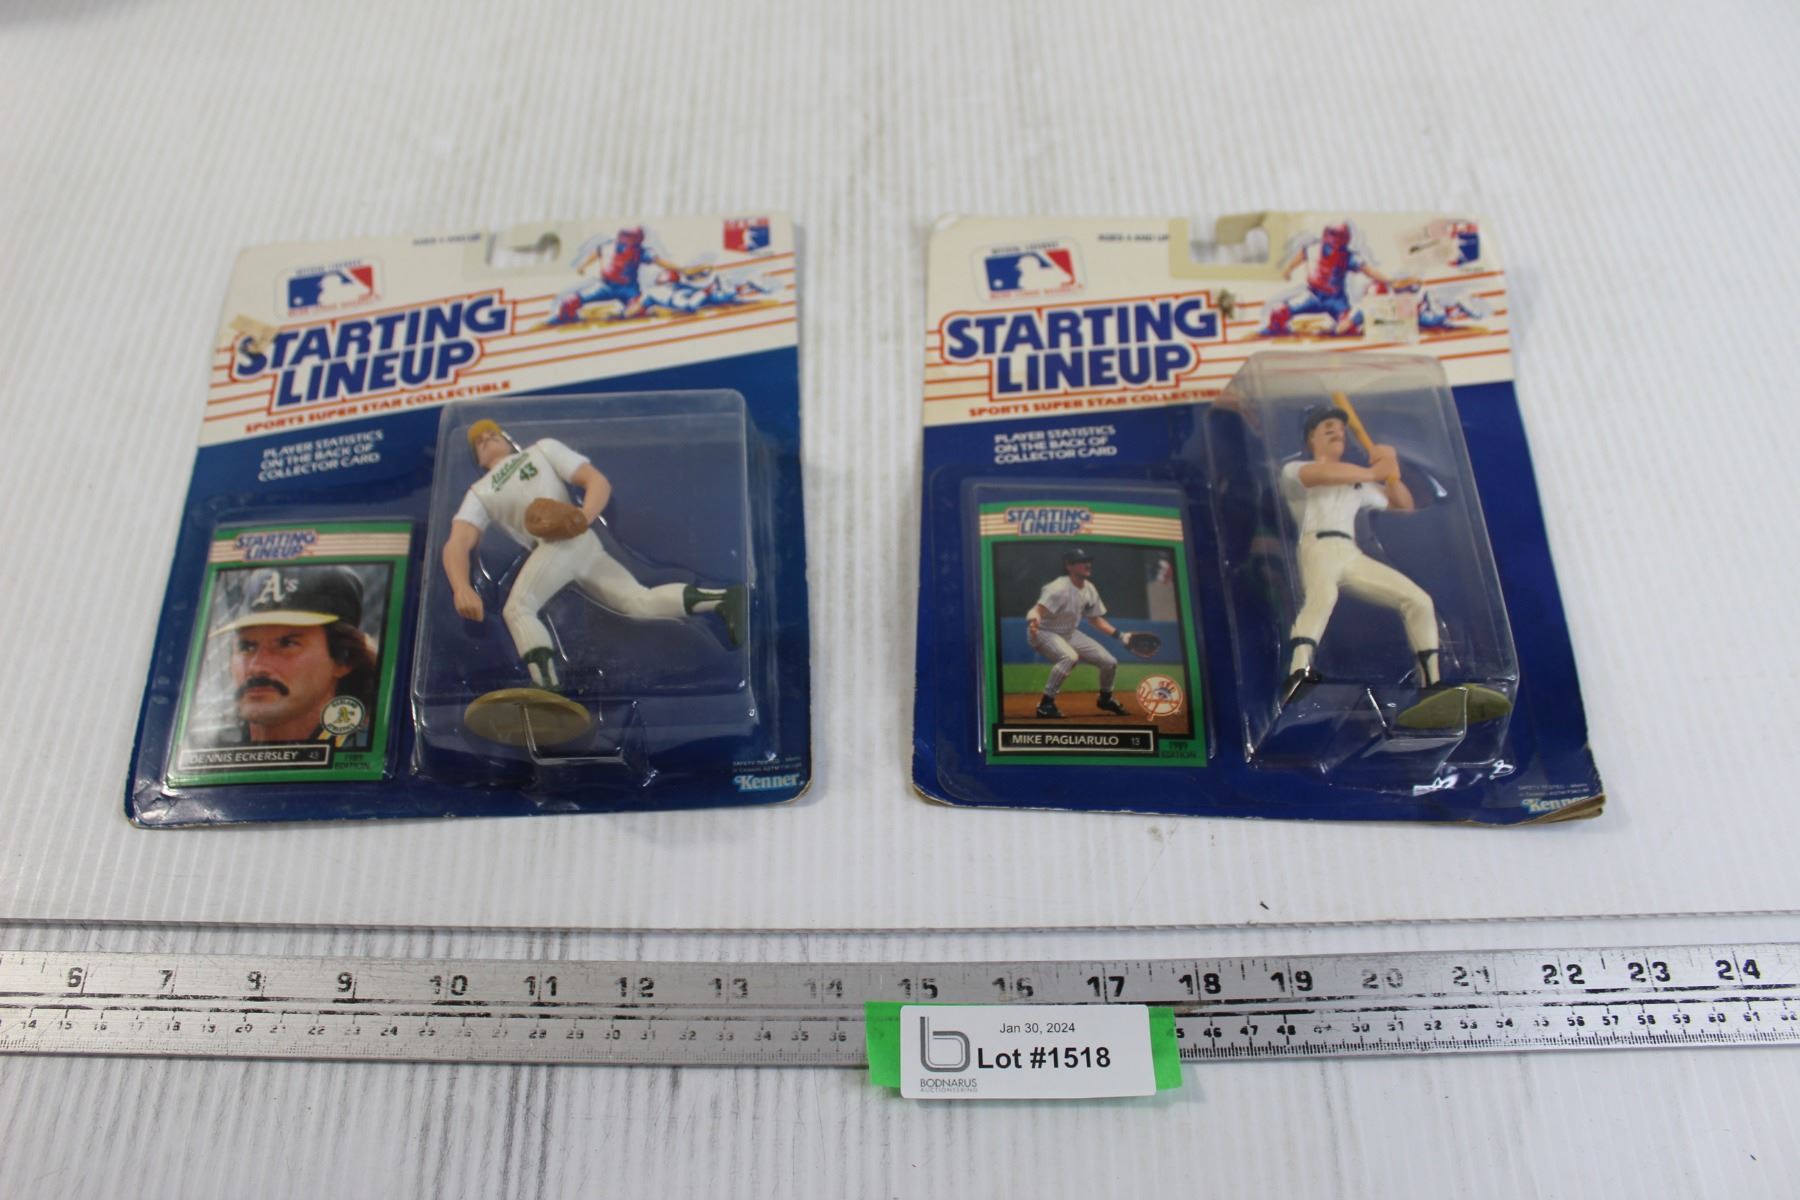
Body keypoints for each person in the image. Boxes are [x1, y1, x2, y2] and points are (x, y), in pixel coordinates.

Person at [442, 419, 745, 692]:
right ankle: (723, 599)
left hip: (564, 541)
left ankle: (547, 688)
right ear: (477, 458)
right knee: (637, 601)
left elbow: (596, 481)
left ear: (507, 440)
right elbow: (457, 544)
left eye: (492, 434)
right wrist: (461, 586)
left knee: (518, 609)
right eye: (479, 441)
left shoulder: (541, 450)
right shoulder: (481, 491)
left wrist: (582, 517)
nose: (486, 439)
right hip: (567, 544)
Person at [1279, 406, 1438, 705]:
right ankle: (1298, 673)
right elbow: (1322, 474)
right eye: (1327, 427)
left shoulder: (1358, 481)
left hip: (1350, 552)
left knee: (1419, 600)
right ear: (1311, 437)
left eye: (1340, 429)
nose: (1335, 431)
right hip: (1317, 546)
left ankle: (1431, 684)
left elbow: (1403, 505)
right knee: (1323, 597)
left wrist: (1392, 473)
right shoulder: (1296, 470)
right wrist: (1375, 471)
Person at [209, 566, 377, 746]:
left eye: (287, 644)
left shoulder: (374, 749)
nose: (256, 667)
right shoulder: (210, 747)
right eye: (246, 646)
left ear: (344, 659)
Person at [1025, 548, 1134, 719]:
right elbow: (1036, 610)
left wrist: (1121, 636)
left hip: (1069, 633)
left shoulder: (1089, 589)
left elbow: (1095, 620)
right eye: (1082, 561)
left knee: (1110, 662)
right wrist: (1033, 620)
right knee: (1069, 658)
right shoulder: (1058, 588)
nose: (1087, 564)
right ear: (1069, 566)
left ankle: (1105, 699)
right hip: (1043, 632)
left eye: (1088, 560)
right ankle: (1046, 705)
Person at [1260, 222, 1396, 338]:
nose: (1334, 242)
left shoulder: (1347, 256)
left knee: (1347, 327)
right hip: (1312, 296)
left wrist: (1389, 281)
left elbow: (1368, 270)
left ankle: (1352, 321)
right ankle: (1276, 328)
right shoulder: (1313, 249)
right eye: (1333, 236)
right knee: (1278, 313)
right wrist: (1288, 270)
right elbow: (1300, 257)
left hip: (1336, 300)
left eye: (1339, 237)